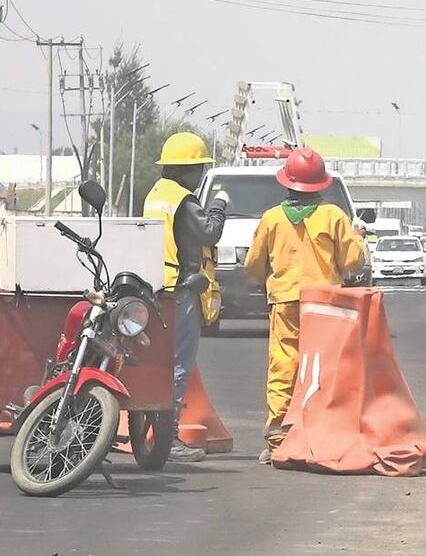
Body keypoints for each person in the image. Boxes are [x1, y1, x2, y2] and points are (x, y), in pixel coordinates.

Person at [244, 148, 368, 464]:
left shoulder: (271, 218)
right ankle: (323, 434)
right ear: (321, 185)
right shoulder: (334, 217)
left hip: (285, 302)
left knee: (284, 364)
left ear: (287, 183)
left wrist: (266, 282)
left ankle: (278, 438)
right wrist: (358, 238)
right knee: (324, 369)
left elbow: (253, 265)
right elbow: (354, 261)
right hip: (324, 308)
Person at [143, 132, 228, 463]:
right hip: (180, 290)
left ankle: (152, 431)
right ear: (189, 170)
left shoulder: (155, 194)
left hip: (155, 288)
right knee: (178, 364)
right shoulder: (184, 200)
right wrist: (219, 206)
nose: (201, 175)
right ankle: (170, 438)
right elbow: (209, 232)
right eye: (199, 169)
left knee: (155, 362)